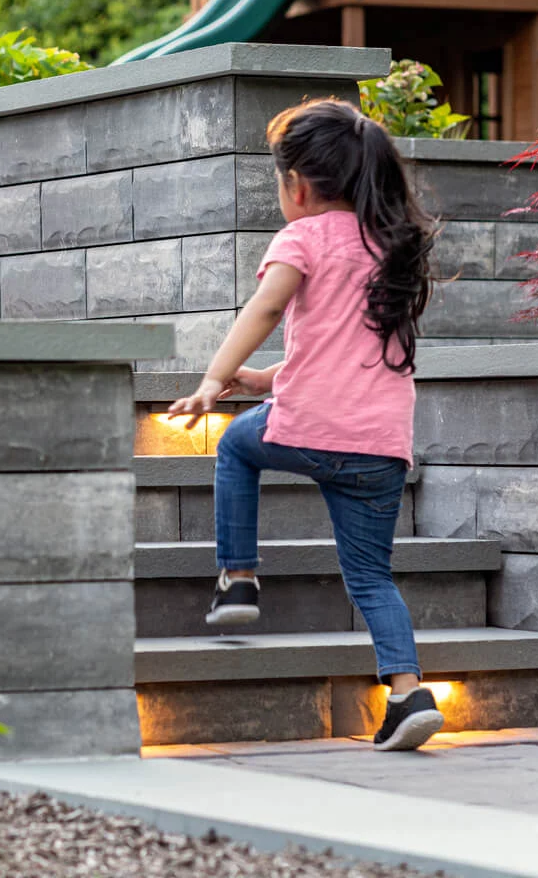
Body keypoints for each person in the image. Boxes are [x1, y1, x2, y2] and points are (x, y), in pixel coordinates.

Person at [167, 97, 445, 752]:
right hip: (379, 449)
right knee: (373, 579)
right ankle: (408, 696)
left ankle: (237, 577)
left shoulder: (304, 238)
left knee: (236, 445)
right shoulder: (390, 246)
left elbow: (264, 310)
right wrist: (263, 381)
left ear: (297, 184)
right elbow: (338, 354)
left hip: (312, 430)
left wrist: (214, 379)